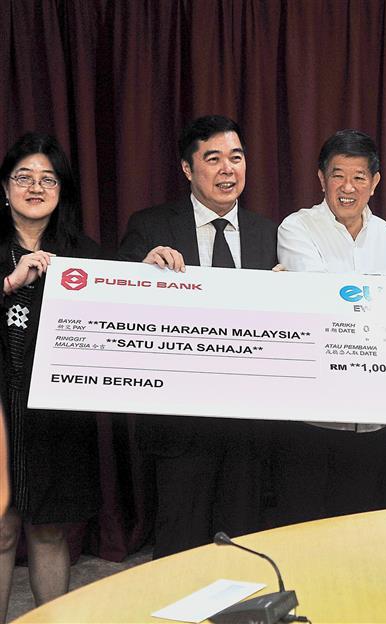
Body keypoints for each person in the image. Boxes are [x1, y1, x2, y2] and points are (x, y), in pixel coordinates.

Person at [117, 115, 279, 556]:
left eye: (237, 157)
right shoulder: (151, 227)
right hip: (180, 424)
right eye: (214, 159)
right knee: (179, 547)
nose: (228, 169)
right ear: (188, 169)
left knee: (243, 546)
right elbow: (115, 305)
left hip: (249, 424)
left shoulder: (269, 234)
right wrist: (141, 269)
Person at [0, 133, 100, 621]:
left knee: (49, 528)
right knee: (0, 530)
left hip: (55, 416)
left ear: (62, 190)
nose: (36, 187)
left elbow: (122, 307)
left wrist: (148, 272)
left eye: (48, 178)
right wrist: (11, 282)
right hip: (0, 412)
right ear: (5, 188)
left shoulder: (82, 251)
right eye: (24, 177)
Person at [273, 130, 386, 521]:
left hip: (374, 413)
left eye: (360, 176)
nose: (348, 187)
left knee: (360, 522)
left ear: (374, 183)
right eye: (338, 175)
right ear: (321, 179)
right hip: (315, 412)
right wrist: (383, 288)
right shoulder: (297, 227)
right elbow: (322, 301)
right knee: (305, 523)